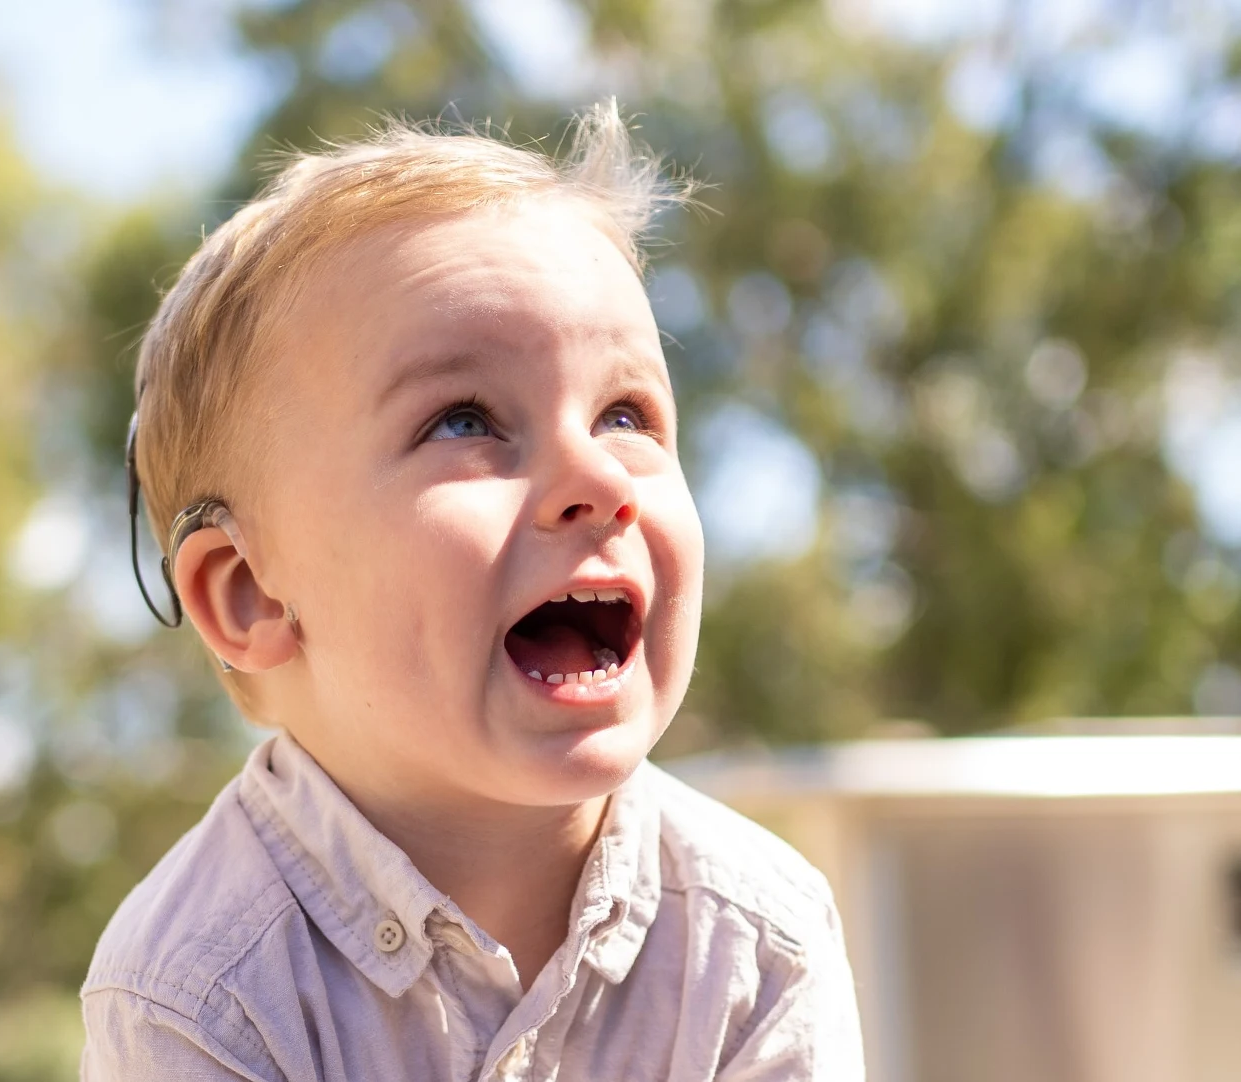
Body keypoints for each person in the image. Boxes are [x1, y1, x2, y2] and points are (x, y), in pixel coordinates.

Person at [80, 100, 865, 1081]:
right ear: (250, 595)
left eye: (626, 413)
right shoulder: (203, 989)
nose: (598, 480)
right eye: (463, 421)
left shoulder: (755, 941)